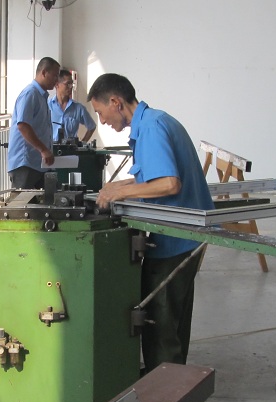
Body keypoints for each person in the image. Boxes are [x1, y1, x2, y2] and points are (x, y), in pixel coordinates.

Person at [87, 73, 214, 375]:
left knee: (161, 320)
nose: (102, 121)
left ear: (115, 102)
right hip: (182, 237)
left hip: (174, 240)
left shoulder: (152, 129)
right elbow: (151, 178)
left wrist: (120, 192)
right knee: (172, 319)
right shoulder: (154, 122)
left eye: (100, 112)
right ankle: (173, 379)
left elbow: (169, 183)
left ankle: (167, 387)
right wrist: (119, 186)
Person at [7, 57, 60, 189]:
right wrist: (43, 149)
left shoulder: (42, 96)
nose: (57, 80)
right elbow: (23, 125)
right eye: (55, 75)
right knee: (22, 200)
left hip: (39, 163)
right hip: (25, 163)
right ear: (44, 72)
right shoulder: (30, 93)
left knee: (45, 200)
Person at [48, 69, 96, 143]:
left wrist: (82, 143)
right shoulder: (47, 106)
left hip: (70, 148)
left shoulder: (78, 108)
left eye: (71, 84)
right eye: (67, 84)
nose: (71, 87)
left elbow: (91, 126)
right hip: (51, 147)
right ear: (57, 84)